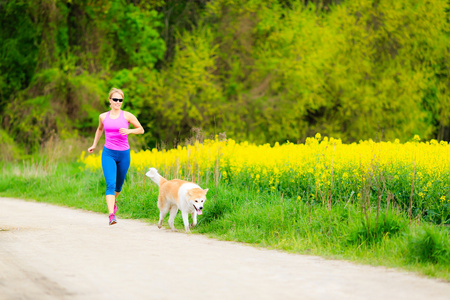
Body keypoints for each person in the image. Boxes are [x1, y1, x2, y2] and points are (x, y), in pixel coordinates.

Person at [88, 88, 144, 225]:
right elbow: (99, 129)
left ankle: (113, 202)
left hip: (124, 154)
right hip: (109, 154)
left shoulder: (127, 116)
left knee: (118, 186)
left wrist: (129, 130)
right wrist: (94, 144)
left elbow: (141, 129)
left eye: (120, 100)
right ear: (110, 100)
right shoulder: (102, 116)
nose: (118, 102)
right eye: (115, 99)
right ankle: (111, 215)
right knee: (110, 184)